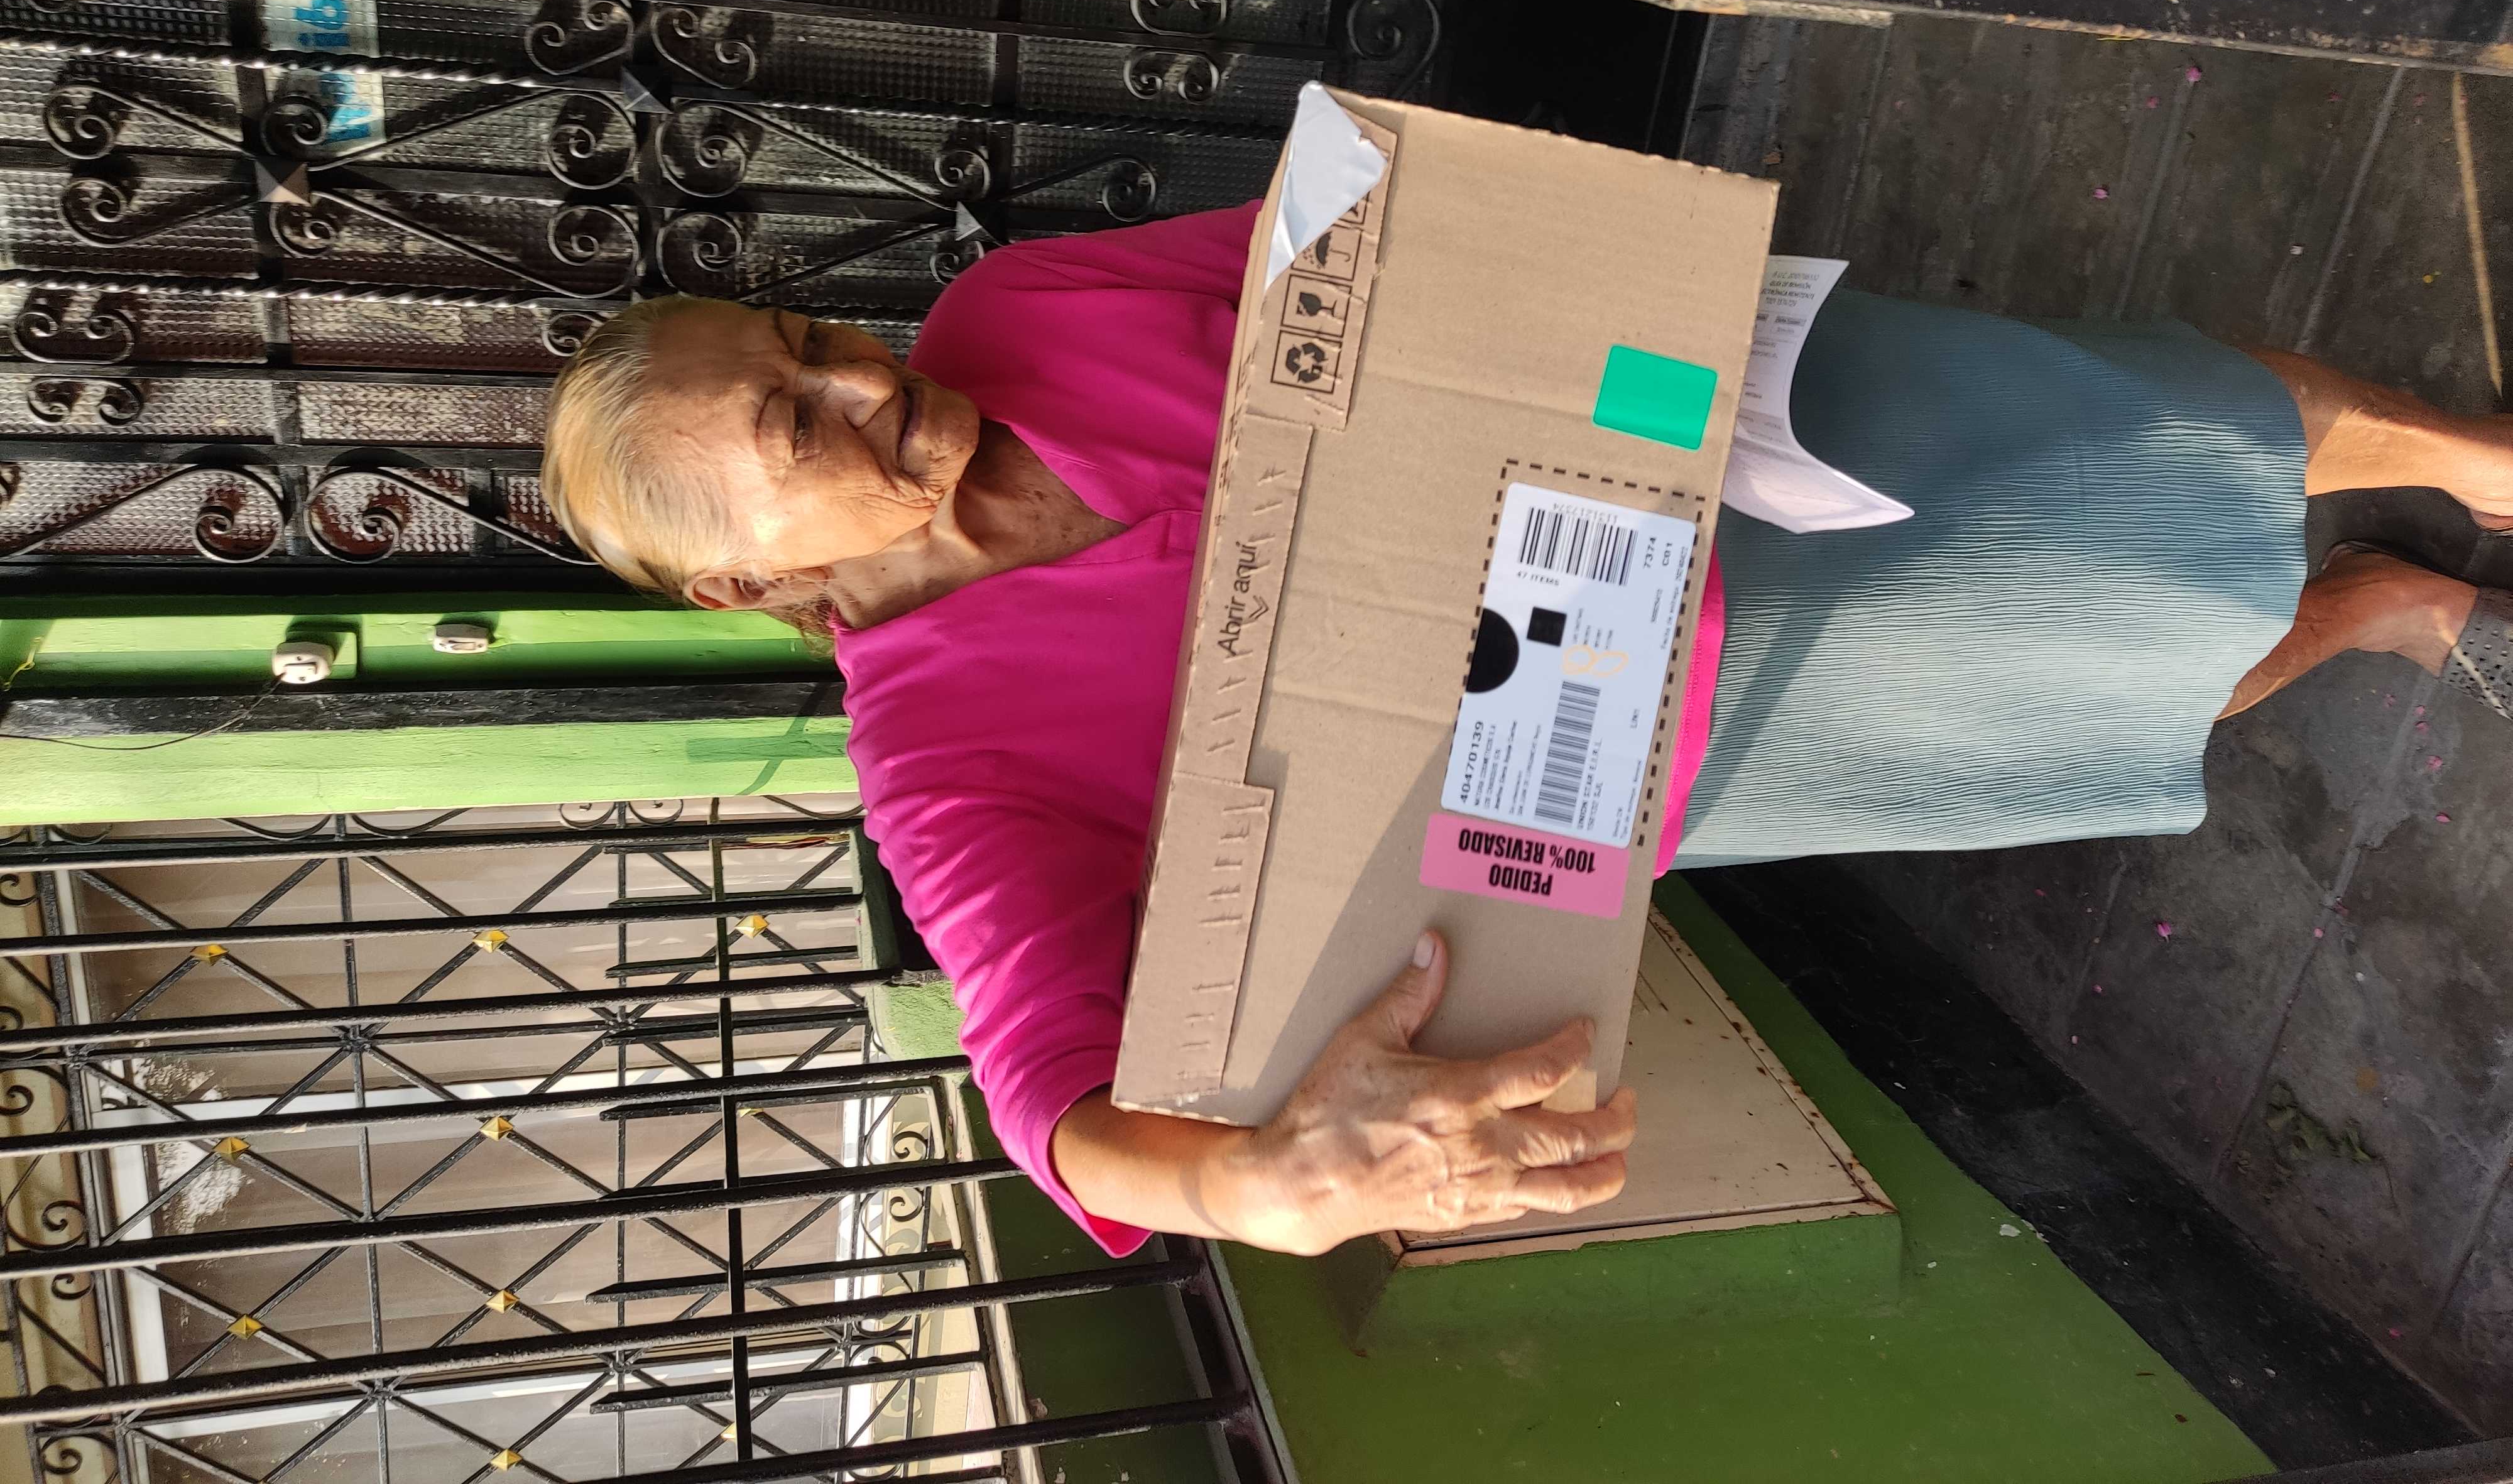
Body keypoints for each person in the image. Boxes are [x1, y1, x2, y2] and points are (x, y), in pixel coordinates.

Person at [538, 200, 2513, 1257]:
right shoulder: (943, 756)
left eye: (805, 335)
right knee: (2082, 679)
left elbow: (1339, 242)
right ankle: (2356, 609)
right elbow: (1049, 1089)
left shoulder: (1011, 309)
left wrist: (1580, 269)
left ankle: (2463, 455)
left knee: (2116, 412)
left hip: (1688, 427)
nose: (863, 376)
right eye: (798, 424)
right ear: (745, 585)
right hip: (1699, 712)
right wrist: (1253, 1186)